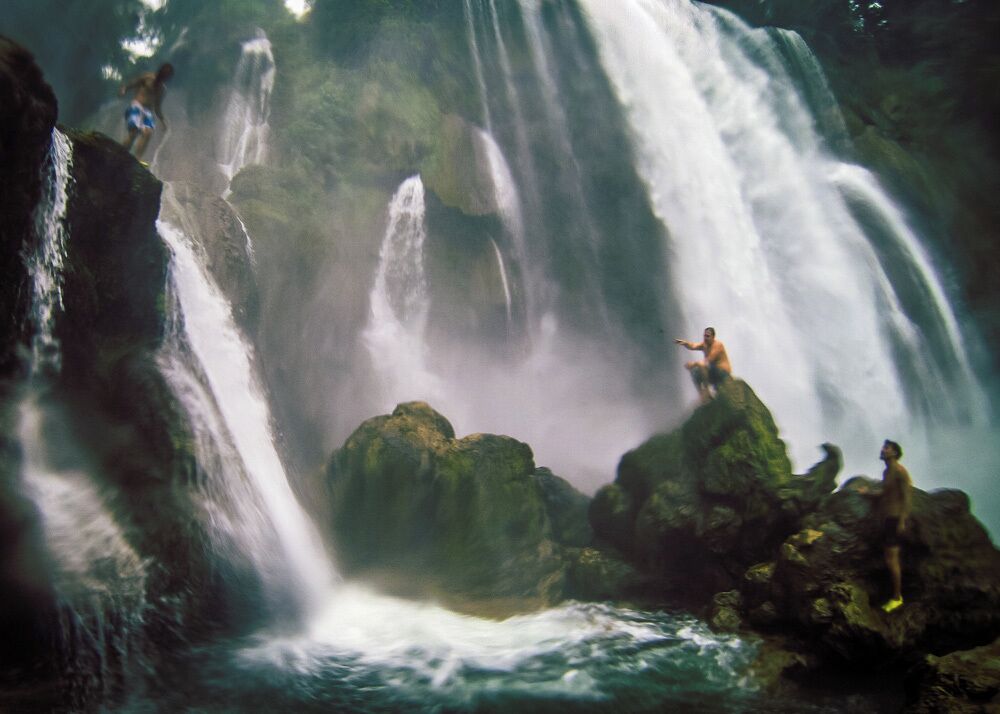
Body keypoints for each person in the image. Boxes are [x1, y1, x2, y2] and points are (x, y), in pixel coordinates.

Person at [878, 439, 912, 613]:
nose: (883, 450)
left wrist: (902, 520)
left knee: (893, 559)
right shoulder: (887, 471)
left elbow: (907, 497)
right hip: (887, 519)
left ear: (894, 453)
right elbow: (884, 492)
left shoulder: (900, 471)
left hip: (895, 519)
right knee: (888, 558)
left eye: (887, 448)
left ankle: (897, 597)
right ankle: (892, 593)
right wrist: (867, 493)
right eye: (884, 447)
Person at [119, 62, 173, 163]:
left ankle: (137, 159)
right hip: (136, 106)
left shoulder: (162, 89)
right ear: (160, 72)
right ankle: (120, 153)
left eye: (167, 76)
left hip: (148, 112)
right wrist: (124, 89)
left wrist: (162, 121)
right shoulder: (148, 77)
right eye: (164, 74)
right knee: (134, 132)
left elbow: (157, 107)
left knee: (148, 133)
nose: (164, 77)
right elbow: (133, 83)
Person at [674, 327, 732, 403]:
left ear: (713, 337)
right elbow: (693, 346)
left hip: (722, 372)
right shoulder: (705, 344)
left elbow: (708, 361)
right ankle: (702, 395)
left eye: (707, 336)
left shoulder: (718, 345)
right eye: (704, 335)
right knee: (695, 372)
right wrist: (685, 343)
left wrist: (693, 364)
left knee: (701, 366)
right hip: (713, 372)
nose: (705, 338)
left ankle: (707, 392)